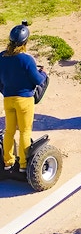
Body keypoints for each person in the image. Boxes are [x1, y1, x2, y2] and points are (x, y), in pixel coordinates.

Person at [0, 23, 47, 177]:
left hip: (8, 99)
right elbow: (37, 80)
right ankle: (23, 166)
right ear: (25, 42)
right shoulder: (27, 60)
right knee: (25, 132)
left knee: (9, 131)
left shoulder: (2, 56)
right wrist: (44, 74)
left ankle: (8, 163)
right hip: (24, 100)